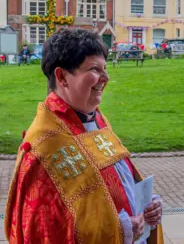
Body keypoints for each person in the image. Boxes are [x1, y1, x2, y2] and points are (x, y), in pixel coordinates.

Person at [5, 29, 164, 244]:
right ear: (62, 77)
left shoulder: (96, 119)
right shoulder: (43, 146)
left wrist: (146, 205)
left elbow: (118, 180)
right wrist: (121, 230)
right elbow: (43, 230)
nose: (105, 78)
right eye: (94, 69)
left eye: (105, 69)